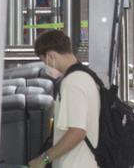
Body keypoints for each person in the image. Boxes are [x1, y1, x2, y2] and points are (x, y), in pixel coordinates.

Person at [28, 30, 99, 168]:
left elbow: (77, 132)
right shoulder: (86, 75)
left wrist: (44, 158)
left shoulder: (73, 83)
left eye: (44, 61)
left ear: (50, 56)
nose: (46, 66)